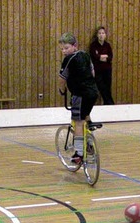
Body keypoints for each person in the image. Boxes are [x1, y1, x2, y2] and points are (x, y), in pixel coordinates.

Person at [57, 32, 99, 163]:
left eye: (67, 48)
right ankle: (90, 132)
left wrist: (61, 90)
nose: (64, 51)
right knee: (84, 113)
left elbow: (62, 78)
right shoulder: (85, 55)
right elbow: (92, 71)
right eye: (62, 49)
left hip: (80, 94)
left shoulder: (68, 60)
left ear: (75, 46)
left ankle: (79, 153)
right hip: (93, 92)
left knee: (78, 122)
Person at [89, 26, 115, 105]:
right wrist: (103, 57)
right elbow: (94, 57)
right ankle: (110, 104)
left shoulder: (107, 45)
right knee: (101, 88)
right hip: (98, 70)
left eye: (103, 33)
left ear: (105, 35)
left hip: (107, 70)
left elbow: (110, 57)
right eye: (99, 33)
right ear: (97, 35)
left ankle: (108, 104)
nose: (101, 35)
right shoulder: (93, 45)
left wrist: (101, 57)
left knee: (107, 88)